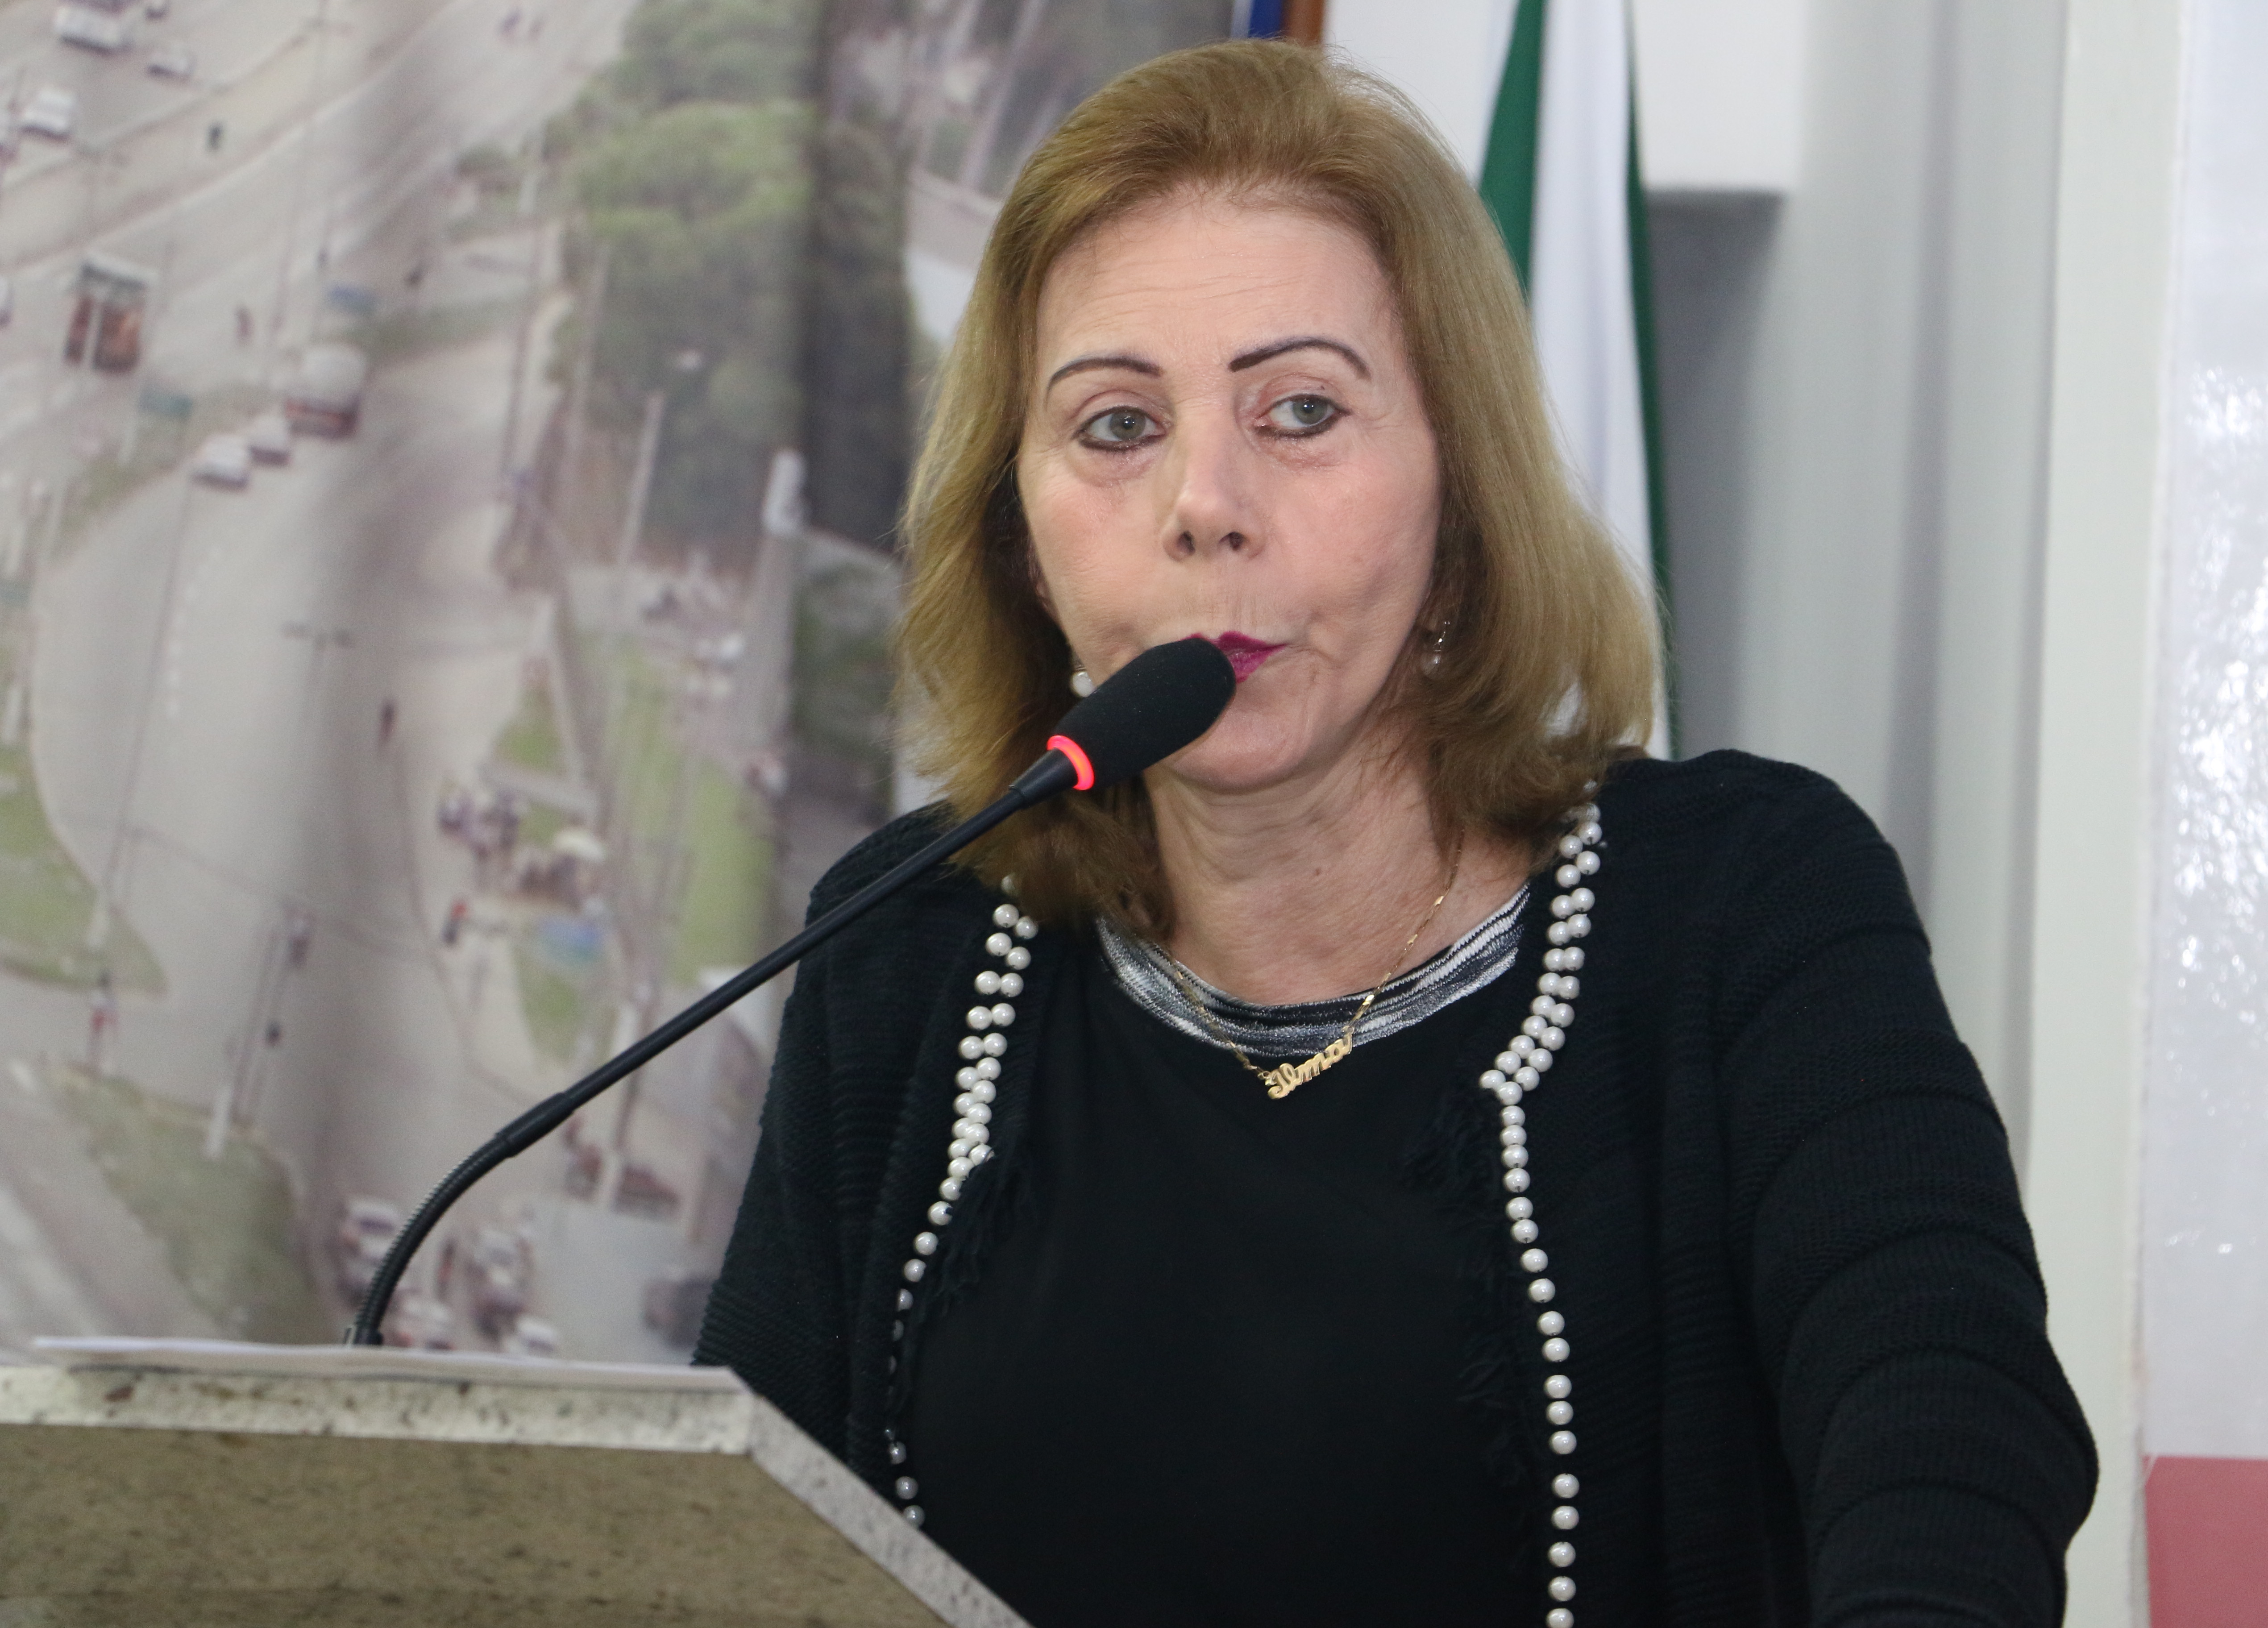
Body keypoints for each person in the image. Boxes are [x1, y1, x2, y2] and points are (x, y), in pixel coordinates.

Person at [698, 39, 2094, 1628]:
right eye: (1116, 425)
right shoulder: (911, 943)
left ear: (1461, 500)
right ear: (1020, 540)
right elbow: (731, 1548)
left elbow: (1950, 1423)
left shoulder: (1746, 903)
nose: (1205, 504)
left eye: (1301, 410)